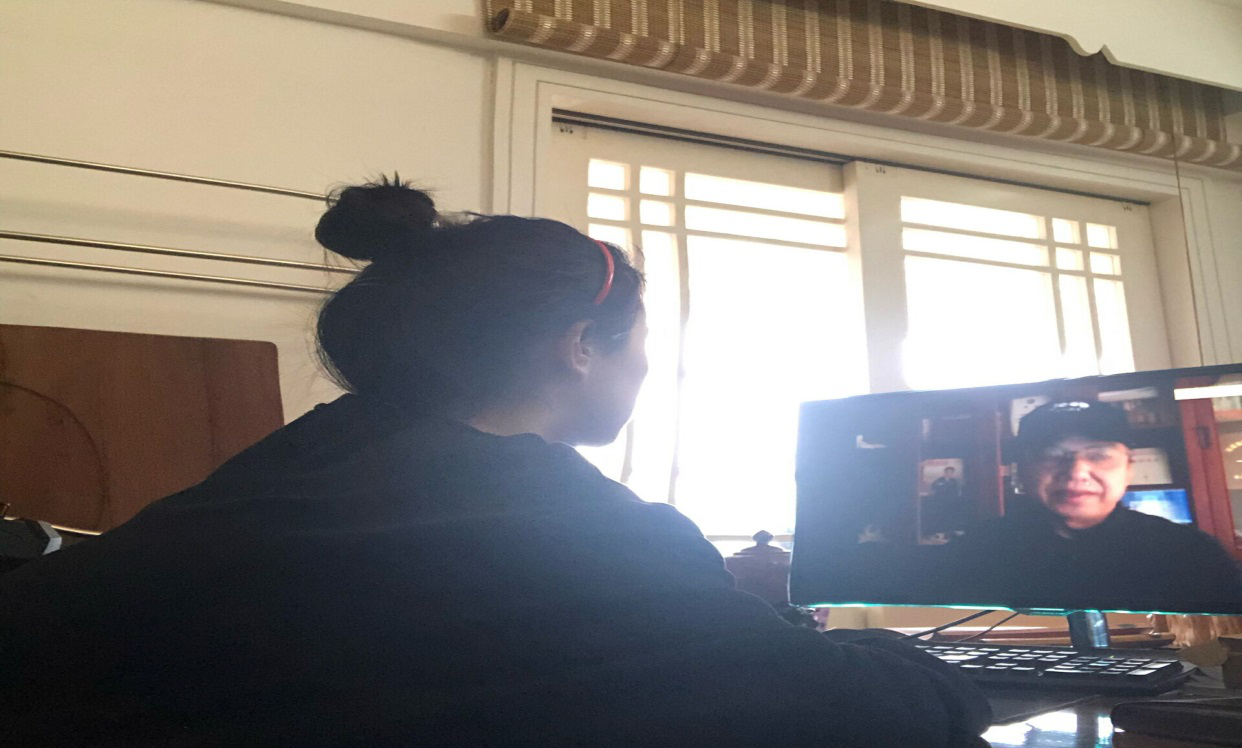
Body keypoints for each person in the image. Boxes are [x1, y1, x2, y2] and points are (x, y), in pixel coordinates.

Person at [0, 179, 991, 746]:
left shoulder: (277, 475)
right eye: (643, 340)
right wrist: (925, 662)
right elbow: (874, 715)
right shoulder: (585, 531)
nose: (651, 365)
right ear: (581, 345)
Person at [950, 400, 1242, 611]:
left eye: (1099, 455)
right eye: (1052, 455)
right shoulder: (976, 549)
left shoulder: (1190, 553)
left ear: (1129, 468)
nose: (1076, 472)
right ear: (1022, 469)